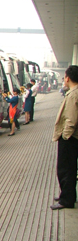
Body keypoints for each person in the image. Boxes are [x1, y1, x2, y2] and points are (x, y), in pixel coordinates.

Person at [50, 65, 78, 210]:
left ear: (67, 78)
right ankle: (67, 195)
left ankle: (66, 199)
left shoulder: (73, 94)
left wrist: (65, 136)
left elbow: (71, 119)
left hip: (70, 138)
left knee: (65, 169)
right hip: (72, 137)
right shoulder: (73, 92)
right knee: (69, 168)